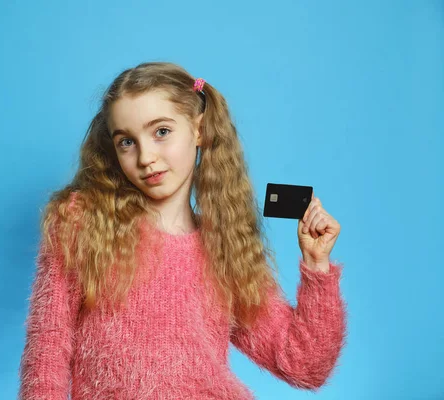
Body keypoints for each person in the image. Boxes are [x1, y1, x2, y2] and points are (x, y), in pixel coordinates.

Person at [17, 61, 346, 400]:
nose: (146, 156)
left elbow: (304, 366)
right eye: (126, 142)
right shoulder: (82, 223)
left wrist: (317, 267)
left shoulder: (225, 249)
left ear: (199, 129)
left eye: (161, 132)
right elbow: (47, 353)